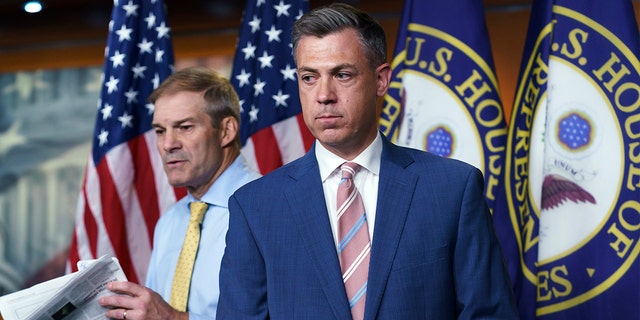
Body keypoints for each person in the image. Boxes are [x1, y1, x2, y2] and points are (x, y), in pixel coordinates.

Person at [216, 3, 519, 319]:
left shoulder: (452, 190)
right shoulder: (255, 207)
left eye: (342, 74)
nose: (323, 95)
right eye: (309, 77)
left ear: (381, 80)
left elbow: (489, 314)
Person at [98, 66, 260, 320]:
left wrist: (172, 318)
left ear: (226, 131)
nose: (168, 144)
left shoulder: (270, 209)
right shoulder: (169, 222)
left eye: (184, 127)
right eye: (160, 131)